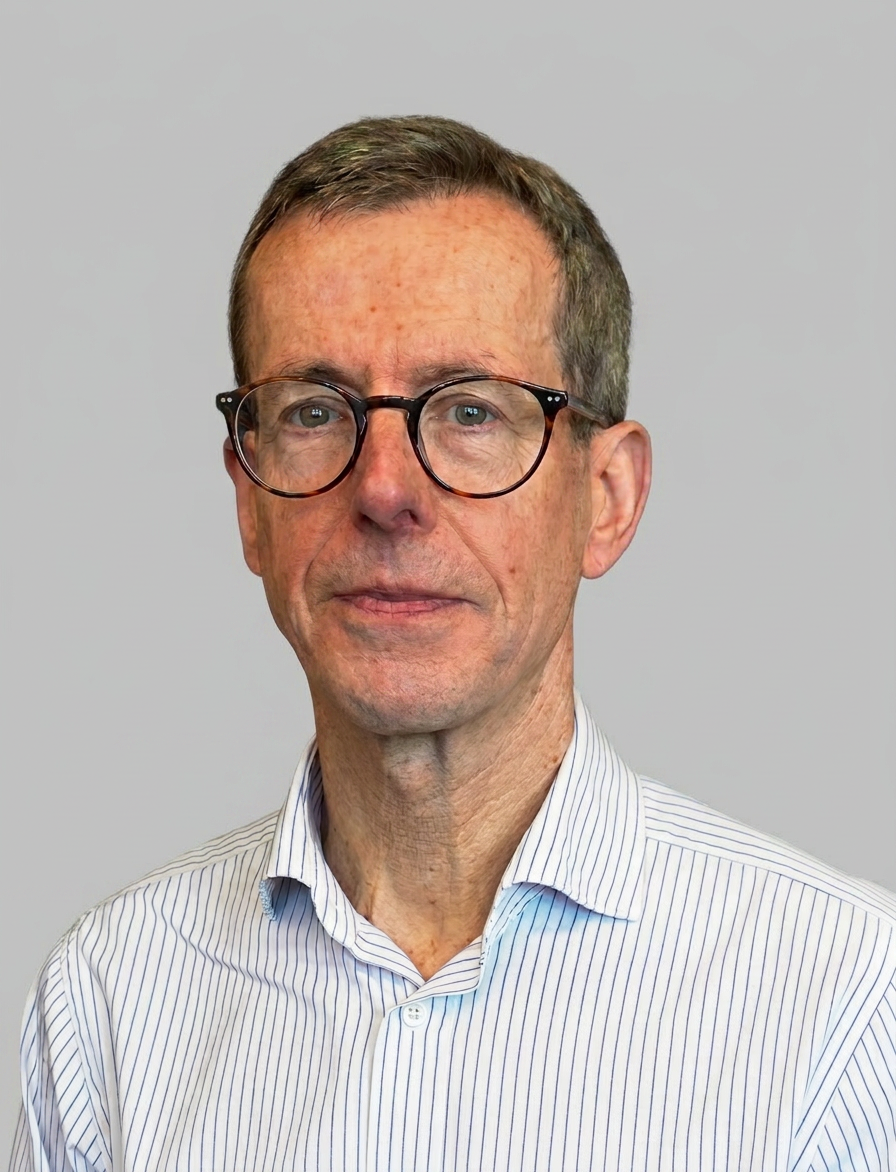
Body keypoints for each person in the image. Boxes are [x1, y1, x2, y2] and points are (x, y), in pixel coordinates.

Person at [10, 115, 896, 1172]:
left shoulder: (844, 1010)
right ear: (248, 501)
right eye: (314, 412)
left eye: (470, 412)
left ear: (607, 497)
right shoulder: (108, 1004)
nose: (385, 489)